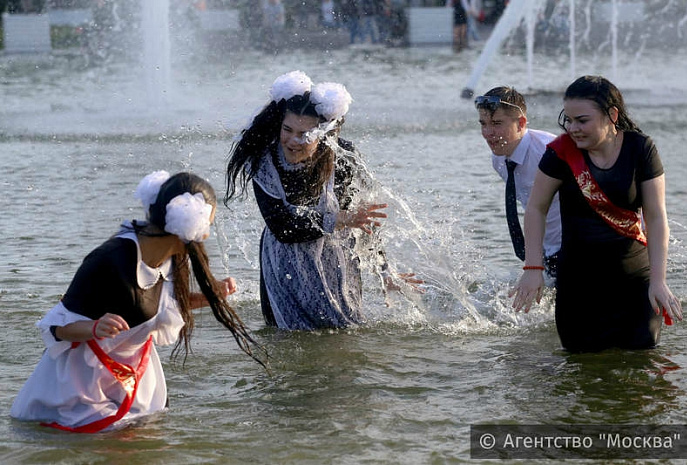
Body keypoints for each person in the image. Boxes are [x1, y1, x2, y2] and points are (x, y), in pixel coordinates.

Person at [10, 172, 265, 433]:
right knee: (117, 443)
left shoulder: (173, 257)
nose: (206, 236)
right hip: (81, 382)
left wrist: (213, 296)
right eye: (206, 225)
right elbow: (55, 327)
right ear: (185, 225)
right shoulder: (109, 260)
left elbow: (167, 303)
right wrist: (95, 327)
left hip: (134, 375)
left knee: (147, 441)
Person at [225, 71, 420, 331]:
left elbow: (362, 221)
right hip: (281, 260)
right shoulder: (263, 159)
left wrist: (385, 272)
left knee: (343, 334)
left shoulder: (342, 159)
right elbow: (282, 227)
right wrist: (339, 219)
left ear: (324, 134)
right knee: (285, 337)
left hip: (335, 257)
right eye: (287, 130)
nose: (293, 141)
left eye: (305, 135)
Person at [511, 75, 683, 352]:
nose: (572, 128)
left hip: (635, 282)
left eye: (582, 120)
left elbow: (656, 216)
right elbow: (536, 208)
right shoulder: (560, 153)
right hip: (578, 286)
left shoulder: (641, 149)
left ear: (612, 115)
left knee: (643, 370)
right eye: (568, 120)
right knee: (582, 373)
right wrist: (533, 268)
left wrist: (659, 281)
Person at [475, 86, 561, 278]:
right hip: (545, 252)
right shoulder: (499, 159)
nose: (488, 132)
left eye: (497, 123)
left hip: (575, 248)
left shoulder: (548, 153)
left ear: (521, 123)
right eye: (483, 124)